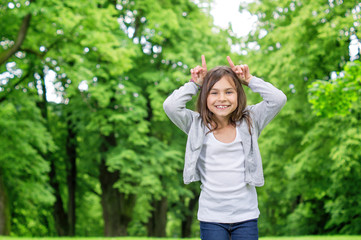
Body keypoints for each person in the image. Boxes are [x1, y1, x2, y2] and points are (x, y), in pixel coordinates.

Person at [163, 55, 287, 240]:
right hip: (211, 216)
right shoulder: (196, 124)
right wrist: (195, 84)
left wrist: (249, 80)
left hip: (246, 215)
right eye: (214, 92)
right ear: (204, 96)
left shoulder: (250, 121)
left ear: (239, 94)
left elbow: (278, 99)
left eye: (229, 92)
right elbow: (171, 106)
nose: (222, 98)